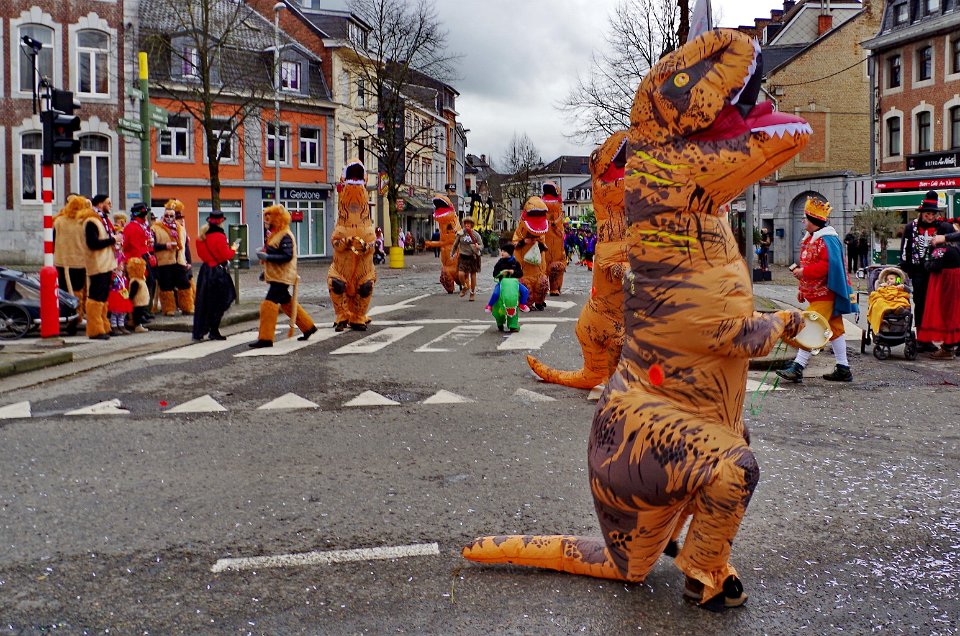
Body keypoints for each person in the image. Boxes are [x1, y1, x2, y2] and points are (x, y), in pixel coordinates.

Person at [777, 197, 857, 383]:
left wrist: (803, 272)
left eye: (805, 218)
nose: (803, 221)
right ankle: (843, 368)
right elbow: (812, 264)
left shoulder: (826, 240)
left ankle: (798, 367)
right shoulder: (813, 238)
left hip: (825, 293)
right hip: (820, 293)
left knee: (810, 327)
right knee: (835, 330)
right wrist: (802, 288)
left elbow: (827, 266)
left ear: (812, 221)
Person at [249, 204, 318, 348]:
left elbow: (287, 256)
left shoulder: (285, 235)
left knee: (269, 304)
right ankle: (308, 327)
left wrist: (267, 257)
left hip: (282, 277)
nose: (266, 221)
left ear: (277, 219)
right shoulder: (276, 234)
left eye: (269, 218)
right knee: (286, 302)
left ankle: (265, 338)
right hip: (278, 276)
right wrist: (266, 272)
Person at [899, 191, 953, 352]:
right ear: (922, 213)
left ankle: (939, 338)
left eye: (933, 214)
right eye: (927, 214)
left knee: (936, 304)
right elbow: (905, 250)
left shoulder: (943, 227)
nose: (930, 217)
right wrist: (907, 269)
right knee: (921, 304)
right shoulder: (911, 227)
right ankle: (922, 339)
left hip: (937, 272)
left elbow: (952, 245)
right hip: (918, 272)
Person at [78, 193, 119, 339]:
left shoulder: (102, 220)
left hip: (105, 263)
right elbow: (93, 243)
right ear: (100, 204)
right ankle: (95, 330)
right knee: (96, 297)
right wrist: (113, 240)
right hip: (97, 264)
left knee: (103, 297)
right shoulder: (91, 221)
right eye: (108, 203)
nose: (110, 205)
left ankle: (104, 326)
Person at [192, 210, 238, 341]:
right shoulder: (220, 236)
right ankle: (214, 329)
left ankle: (202, 329)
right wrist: (233, 249)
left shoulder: (201, 237)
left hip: (205, 271)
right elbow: (226, 255)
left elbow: (201, 255)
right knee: (222, 300)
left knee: (204, 302)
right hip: (217, 272)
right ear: (221, 222)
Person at [918, 226, 960, 359]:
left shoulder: (941, 249)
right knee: (953, 313)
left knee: (945, 314)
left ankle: (947, 349)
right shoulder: (956, 248)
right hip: (955, 284)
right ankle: (951, 345)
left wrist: (926, 259)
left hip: (945, 285)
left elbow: (933, 266)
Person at [152, 200, 194, 317]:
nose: (169, 218)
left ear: (175, 216)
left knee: (184, 284)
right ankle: (169, 309)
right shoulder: (155, 228)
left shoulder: (181, 228)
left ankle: (187, 306)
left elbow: (185, 246)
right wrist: (165, 246)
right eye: (167, 216)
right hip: (164, 262)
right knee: (166, 287)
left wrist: (188, 261)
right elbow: (152, 246)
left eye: (171, 216)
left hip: (179, 261)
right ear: (163, 216)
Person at [52, 195, 89, 325]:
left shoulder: (58, 221)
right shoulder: (83, 222)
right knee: (78, 290)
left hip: (61, 261)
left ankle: (65, 314)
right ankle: (77, 315)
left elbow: (53, 240)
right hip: (79, 261)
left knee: (63, 290)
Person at [122, 203, 157, 322]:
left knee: (148, 283)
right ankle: (138, 313)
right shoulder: (133, 227)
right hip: (136, 260)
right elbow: (135, 248)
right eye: (145, 214)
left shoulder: (141, 226)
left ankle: (144, 310)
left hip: (142, 257)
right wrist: (141, 265)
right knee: (140, 286)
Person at [484, 243, 530, 311]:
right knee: (496, 293)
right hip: (502, 283)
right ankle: (490, 305)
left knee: (525, 291)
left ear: (510, 252)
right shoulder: (500, 262)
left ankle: (522, 304)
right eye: (502, 251)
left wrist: (513, 272)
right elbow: (494, 274)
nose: (502, 253)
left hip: (514, 283)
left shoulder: (515, 263)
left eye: (504, 251)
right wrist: (501, 273)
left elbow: (520, 274)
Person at [452, 216, 483, 301]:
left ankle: (472, 293)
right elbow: (455, 244)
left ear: (472, 224)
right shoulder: (461, 233)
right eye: (465, 223)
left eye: (468, 223)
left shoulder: (476, 234)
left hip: (473, 256)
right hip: (463, 256)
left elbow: (481, 245)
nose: (466, 225)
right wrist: (452, 253)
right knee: (461, 274)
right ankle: (465, 286)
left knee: (473, 275)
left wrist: (478, 246)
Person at [126, 257, 151, 333]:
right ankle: (137, 326)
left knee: (139, 313)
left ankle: (134, 324)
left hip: (141, 302)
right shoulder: (135, 281)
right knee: (137, 314)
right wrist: (130, 299)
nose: (145, 269)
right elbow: (133, 292)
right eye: (143, 267)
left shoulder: (140, 279)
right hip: (138, 302)